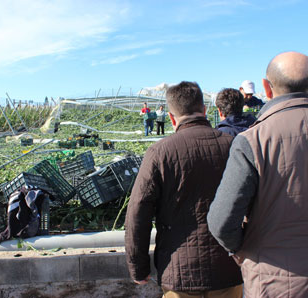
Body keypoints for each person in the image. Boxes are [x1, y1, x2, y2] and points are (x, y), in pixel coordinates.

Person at [125, 81, 242, 297]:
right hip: (229, 267)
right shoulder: (234, 145)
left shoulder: (160, 152)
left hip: (180, 271)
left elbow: (137, 213)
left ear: (171, 117)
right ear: (205, 110)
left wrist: (138, 267)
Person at [208, 51, 308, 298]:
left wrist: (242, 250)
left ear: (267, 87)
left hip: (276, 280)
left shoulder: (253, 140)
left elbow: (221, 222)